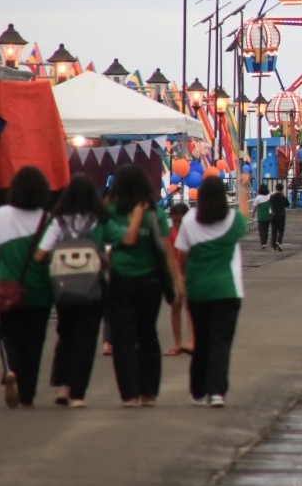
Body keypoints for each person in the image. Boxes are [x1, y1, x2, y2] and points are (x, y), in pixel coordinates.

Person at [103, 165, 182, 407]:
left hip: (120, 279)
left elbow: (104, 243)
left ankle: (129, 394)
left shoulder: (111, 210)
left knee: (123, 336)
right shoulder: (154, 212)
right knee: (149, 334)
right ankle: (149, 392)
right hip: (150, 281)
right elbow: (166, 250)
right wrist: (177, 280)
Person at [174, 173, 250, 408]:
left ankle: (198, 391)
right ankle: (217, 392)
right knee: (221, 342)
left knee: (202, 341)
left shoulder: (189, 220)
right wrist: (243, 188)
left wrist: (182, 277)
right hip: (227, 290)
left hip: (198, 290)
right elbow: (245, 216)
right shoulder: (231, 220)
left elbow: (183, 254)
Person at [36, 174, 109, 407]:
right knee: (86, 340)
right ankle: (78, 394)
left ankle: (62, 386)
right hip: (93, 287)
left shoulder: (58, 221)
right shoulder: (100, 221)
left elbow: (41, 254)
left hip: (64, 288)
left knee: (65, 335)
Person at [0, 166, 52, 408]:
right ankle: (27, 394)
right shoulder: (47, 219)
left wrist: (5, 255)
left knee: (8, 335)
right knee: (34, 342)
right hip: (40, 291)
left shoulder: (1, 214)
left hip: (7, 289)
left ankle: (10, 369)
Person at [165, 202, 195, 356]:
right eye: (174, 221)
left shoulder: (191, 232)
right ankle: (178, 343)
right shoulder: (169, 234)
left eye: (180, 221)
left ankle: (192, 341)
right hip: (175, 275)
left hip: (189, 274)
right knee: (175, 307)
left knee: (190, 308)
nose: (177, 224)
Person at [268, 181, 289, 252]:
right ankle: (279, 241)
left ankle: (273, 246)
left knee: (274, 231)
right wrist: (284, 197)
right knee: (281, 230)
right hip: (281, 215)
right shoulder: (283, 197)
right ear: (282, 189)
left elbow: (270, 204)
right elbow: (287, 205)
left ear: (275, 188)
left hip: (273, 215)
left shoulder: (272, 197)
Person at [251, 184, 271, 249]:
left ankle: (263, 243)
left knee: (261, 230)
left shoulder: (258, 197)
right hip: (268, 215)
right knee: (266, 229)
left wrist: (253, 213)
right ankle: (265, 241)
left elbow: (255, 206)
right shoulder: (269, 196)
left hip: (261, 216)